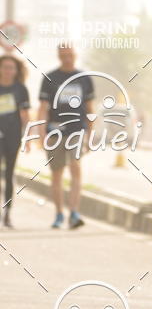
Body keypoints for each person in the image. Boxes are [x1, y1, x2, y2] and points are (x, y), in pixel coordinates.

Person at [37, 43, 95, 229]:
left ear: (75, 55)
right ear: (58, 56)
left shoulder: (84, 78)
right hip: (55, 132)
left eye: (69, 54)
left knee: (75, 167)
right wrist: (40, 134)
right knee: (57, 174)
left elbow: (90, 109)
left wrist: (90, 135)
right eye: (63, 55)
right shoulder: (50, 78)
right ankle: (59, 214)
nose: (66, 57)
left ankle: (74, 213)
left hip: (77, 130)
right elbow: (43, 109)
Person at [0, 55, 30, 228]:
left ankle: (7, 212)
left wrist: (28, 137)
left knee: (9, 174)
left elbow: (24, 115)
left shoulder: (20, 89)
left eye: (12, 68)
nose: (8, 71)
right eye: (5, 67)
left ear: (16, 70)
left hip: (12, 137)